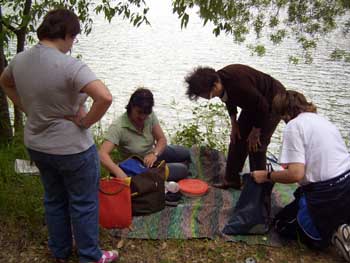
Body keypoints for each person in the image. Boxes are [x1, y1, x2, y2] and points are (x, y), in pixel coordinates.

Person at [0, 9, 118, 263]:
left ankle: (60, 252)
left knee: (54, 199)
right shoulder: (70, 65)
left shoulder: (19, 60)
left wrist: (27, 108)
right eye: (73, 37)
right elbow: (105, 97)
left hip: (38, 146)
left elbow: (5, 82)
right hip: (72, 148)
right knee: (84, 202)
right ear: (65, 34)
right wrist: (85, 122)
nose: (73, 43)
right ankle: (90, 256)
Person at [251, 90, 350, 262]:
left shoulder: (293, 126)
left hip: (327, 192)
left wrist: (266, 175)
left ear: (284, 114)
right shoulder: (322, 120)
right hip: (347, 182)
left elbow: (296, 174)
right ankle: (342, 224)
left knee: (283, 224)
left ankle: (335, 234)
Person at [185, 64, 286, 189]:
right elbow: (228, 98)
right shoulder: (221, 80)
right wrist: (234, 124)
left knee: (256, 144)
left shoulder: (239, 85)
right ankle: (232, 180)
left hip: (273, 101)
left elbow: (263, 107)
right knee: (237, 138)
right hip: (253, 103)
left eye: (207, 95)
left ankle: (259, 185)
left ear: (215, 85)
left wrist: (256, 131)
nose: (206, 98)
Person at [99, 87, 190, 182]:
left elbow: (161, 139)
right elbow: (102, 154)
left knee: (186, 152)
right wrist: (119, 173)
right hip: (140, 166)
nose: (143, 117)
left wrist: (154, 154)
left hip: (153, 153)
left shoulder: (150, 116)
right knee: (182, 169)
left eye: (146, 113)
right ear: (131, 106)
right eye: (139, 112)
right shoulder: (118, 126)